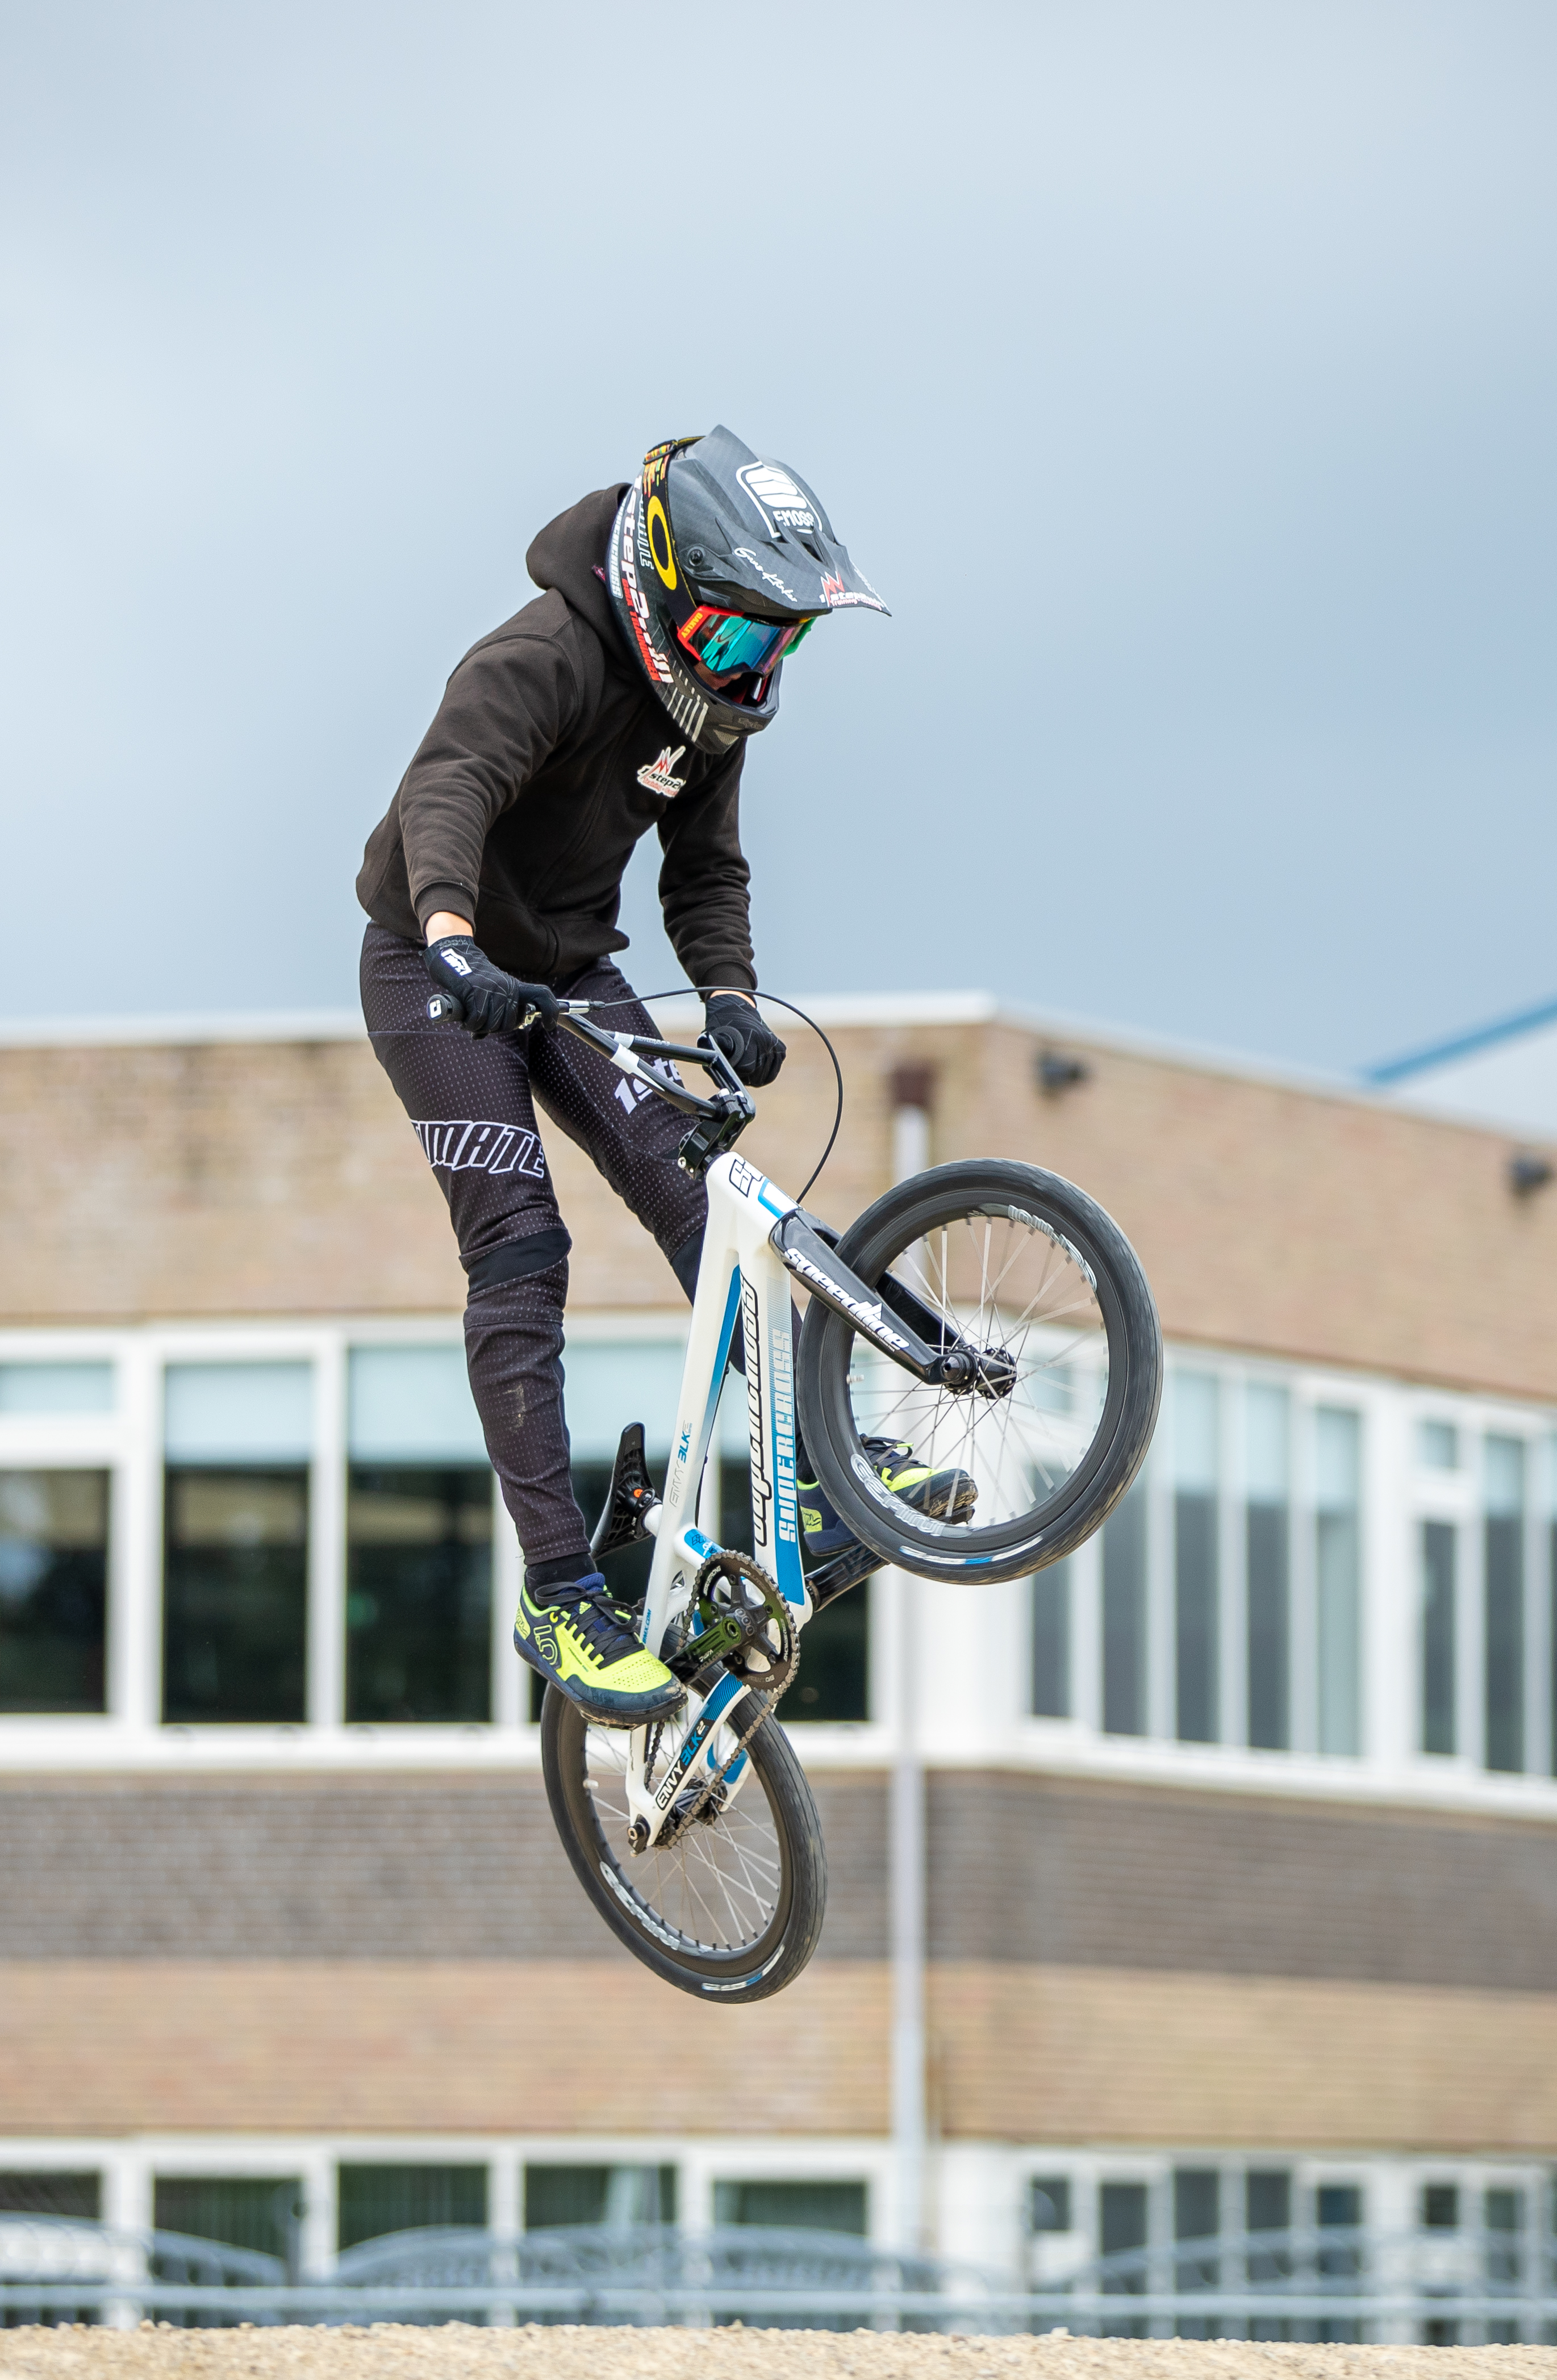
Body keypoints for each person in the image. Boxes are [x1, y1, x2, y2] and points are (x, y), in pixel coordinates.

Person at [353, 429, 971, 1725]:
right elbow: (445, 792)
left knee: (706, 1200)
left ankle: (818, 1469)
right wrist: (458, 942)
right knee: (522, 1247)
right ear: (669, 595)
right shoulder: (547, 654)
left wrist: (734, 1000)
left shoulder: (707, 715)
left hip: (570, 973)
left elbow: (705, 873)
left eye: (780, 647)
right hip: (432, 968)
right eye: (744, 639)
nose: (759, 669)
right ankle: (557, 1590)